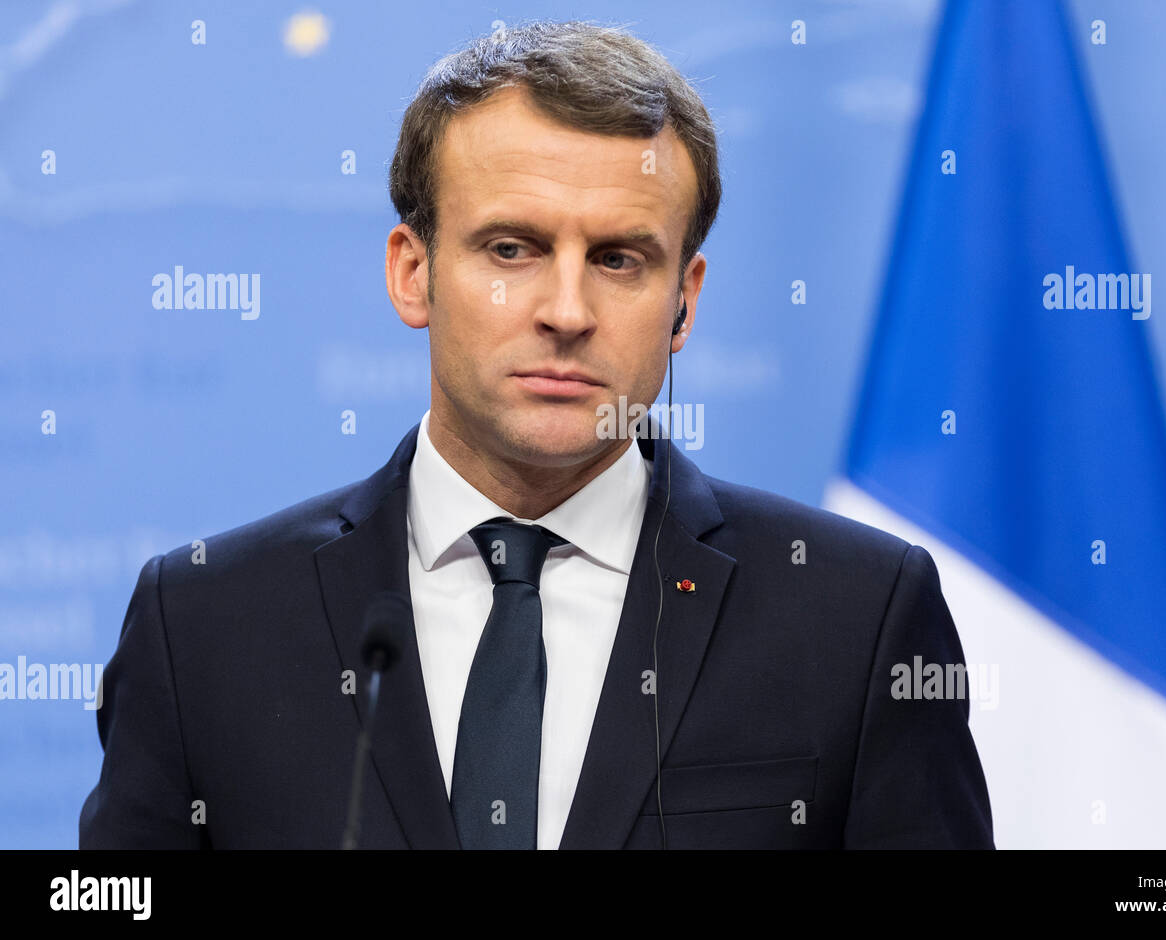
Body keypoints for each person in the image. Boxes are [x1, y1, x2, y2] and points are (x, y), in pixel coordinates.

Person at [80, 20, 994, 850]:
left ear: (686, 301)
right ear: (413, 272)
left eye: (619, 259)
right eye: (510, 249)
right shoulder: (203, 624)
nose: (566, 311)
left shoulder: (856, 616)